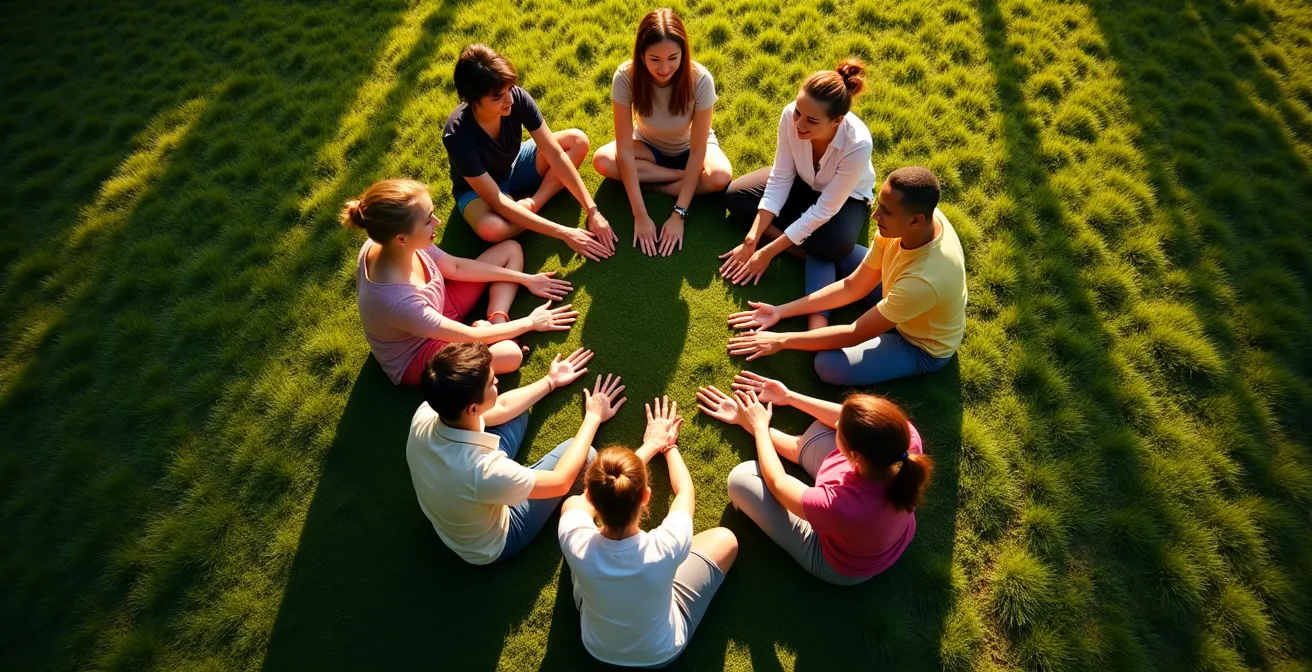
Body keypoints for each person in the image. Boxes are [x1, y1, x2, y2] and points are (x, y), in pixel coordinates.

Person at [726, 167, 966, 386]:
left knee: (827, 365)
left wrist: (781, 340)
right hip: (895, 289)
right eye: (880, 205)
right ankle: (816, 331)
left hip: (919, 345)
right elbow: (854, 287)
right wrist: (780, 311)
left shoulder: (923, 282)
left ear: (915, 221)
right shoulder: (909, 224)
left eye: (886, 211)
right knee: (825, 247)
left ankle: (815, 334)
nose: (875, 216)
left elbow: (855, 333)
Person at [696, 373, 931, 585]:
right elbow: (844, 417)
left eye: (841, 430)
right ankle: (800, 444)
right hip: (868, 529)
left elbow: (779, 485)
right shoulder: (905, 439)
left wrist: (758, 427)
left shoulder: (841, 505)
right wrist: (788, 396)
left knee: (741, 480)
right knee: (819, 430)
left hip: (839, 563)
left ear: (855, 457)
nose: (837, 424)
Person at [342, 178, 580, 386]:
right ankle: (498, 333)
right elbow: (468, 336)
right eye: (427, 221)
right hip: (419, 351)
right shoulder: (398, 302)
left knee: (510, 250)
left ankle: (496, 320)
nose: (437, 222)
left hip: (439, 307)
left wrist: (526, 280)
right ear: (401, 238)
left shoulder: (390, 242)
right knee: (509, 355)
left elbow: (455, 267)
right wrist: (530, 322)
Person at [408, 341, 627, 565]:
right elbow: (560, 481)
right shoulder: (484, 471)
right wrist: (593, 417)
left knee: (517, 411)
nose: (497, 382)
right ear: (472, 409)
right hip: (494, 542)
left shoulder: (426, 412)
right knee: (584, 453)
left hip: (459, 493)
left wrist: (550, 381)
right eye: (492, 383)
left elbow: (501, 408)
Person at [559, 396, 738, 668]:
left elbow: (578, 502)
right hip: (660, 653)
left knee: (570, 507)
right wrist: (666, 447)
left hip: (596, 647)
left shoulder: (574, 539)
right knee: (726, 540)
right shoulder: (666, 545)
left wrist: (646, 448)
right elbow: (685, 492)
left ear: (592, 500)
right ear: (646, 496)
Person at [444, 44, 618, 262]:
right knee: (492, 230)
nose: (509, 100)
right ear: (473, 99)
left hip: (515, 163)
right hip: (478, 190)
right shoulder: (458, 136)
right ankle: (525, 211)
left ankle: (534, 202)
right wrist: (564, 232)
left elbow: (554, 154)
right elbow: (496, 200)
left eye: (509, 90)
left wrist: (592, 210)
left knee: (577, 141)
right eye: (497, 97)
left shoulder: (516, 98)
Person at [718, 59, 875, 285]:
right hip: (801, 182)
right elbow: (781, 176)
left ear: (837, 121)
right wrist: (752, 239)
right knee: (736, 196)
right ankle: (801, 247)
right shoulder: (789, 115)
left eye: (811, 120)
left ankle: (792, 239)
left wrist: (767, 253)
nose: (799, 124)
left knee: (837, 245)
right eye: (798, 113)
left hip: (846, 199)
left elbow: (824, 210)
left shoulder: (858, 144)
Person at [591, 8, 733, 257]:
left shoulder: (701, 80)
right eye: (655, 59)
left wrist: (678, 214)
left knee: (720, 176)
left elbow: (699, 149)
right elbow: (624, 148)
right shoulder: (625, 77)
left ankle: (654, 185)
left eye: (673, 58)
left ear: (684, 52)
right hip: (647, 145)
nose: (665, 68)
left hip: (690, 146)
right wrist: (640, 214)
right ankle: (677, 176)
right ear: (641, 54)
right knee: (602, 161)